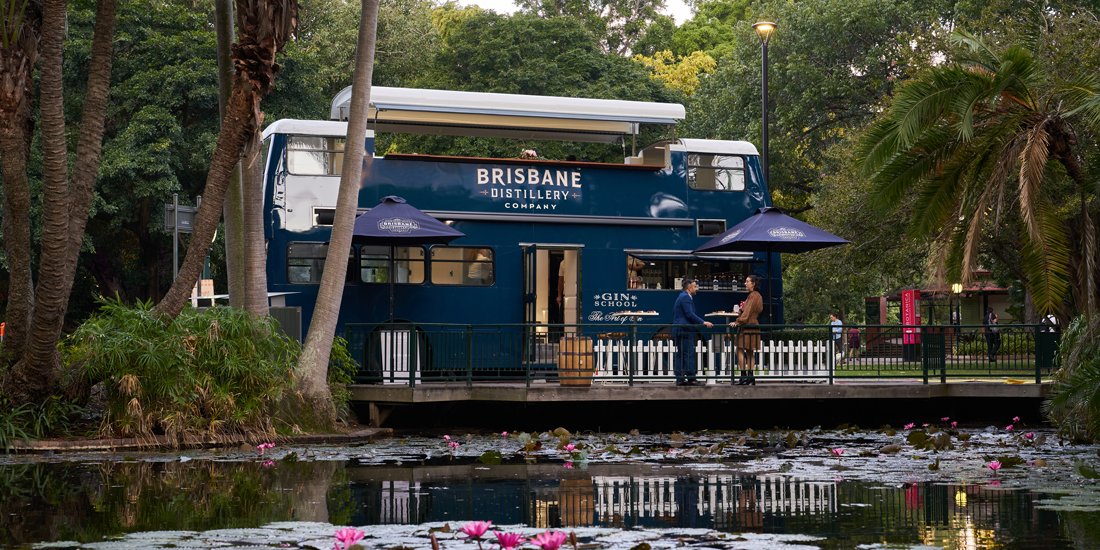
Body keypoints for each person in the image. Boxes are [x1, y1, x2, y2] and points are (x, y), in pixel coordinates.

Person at [671, 279, 713, 386]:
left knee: (681, 354)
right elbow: (689, 314)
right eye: (695, 287)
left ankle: (680, 379)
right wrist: (703, 322)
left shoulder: (682, 296)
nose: (696, 289)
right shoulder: (685, 297)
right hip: (685, 330)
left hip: (680, 329)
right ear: (689, 288)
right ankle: (691, 378)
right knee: (688, 354)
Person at [731, 274, 763, 385]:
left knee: (739, 349)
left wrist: (737, 322)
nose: (745, 283)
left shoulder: (753, 296)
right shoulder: (757, 295)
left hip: (747, 326)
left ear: (753, 284)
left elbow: (747, 313)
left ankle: (743, 376)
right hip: (754, 325)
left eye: (747, 281)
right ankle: (750, 377)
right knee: (750, 352)